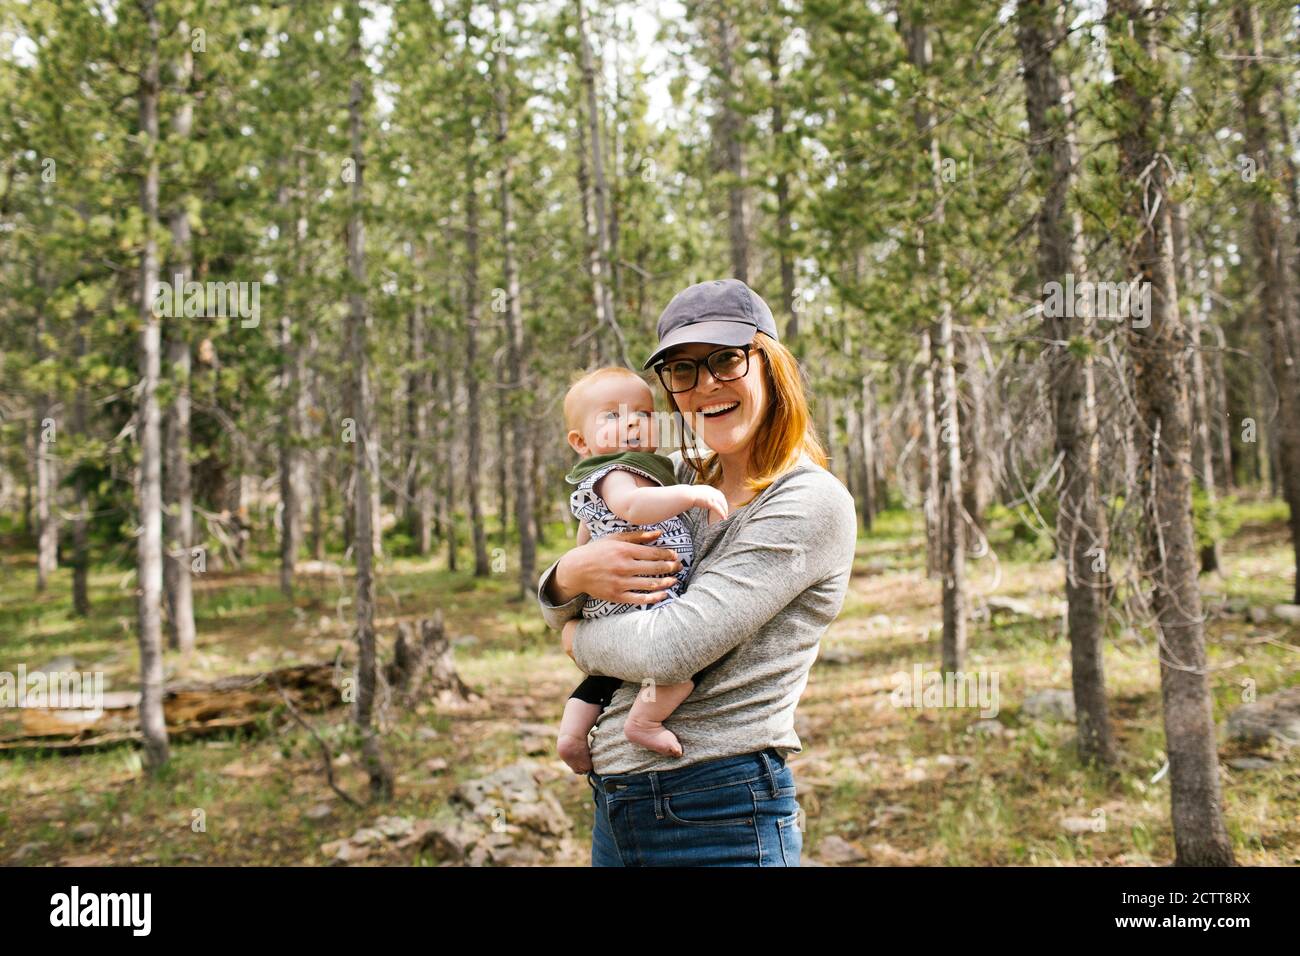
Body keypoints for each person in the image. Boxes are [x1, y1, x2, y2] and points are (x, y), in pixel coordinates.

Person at [536, 278, 858, 866]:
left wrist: (574, 637)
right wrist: (567, 577)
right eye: (682, 371)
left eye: (726, 359)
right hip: (618, 802)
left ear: (770, 365)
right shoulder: (673, 478)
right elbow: (577, 577)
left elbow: (671, 648)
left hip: (719, 808)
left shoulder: (807, 502)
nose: (705, 384)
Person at [554, 365, 729, 773]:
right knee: (679, 676)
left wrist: (581, 581)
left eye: (643, 414)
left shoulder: (630, 473)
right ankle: (644, 721)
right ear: (580, 441)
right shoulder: (619, 474)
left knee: (603, 678)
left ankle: (571, 733)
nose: (632, 422)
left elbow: (586, 537)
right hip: (645, 598)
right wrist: (691, 494)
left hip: (614, 599)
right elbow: (632, 508)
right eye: (612, 416)